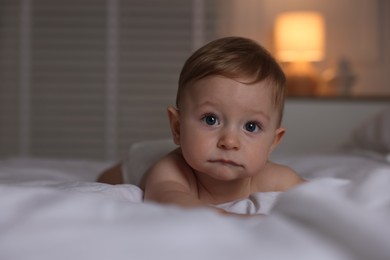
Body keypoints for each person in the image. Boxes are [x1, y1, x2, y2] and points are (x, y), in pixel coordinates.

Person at [98, 36, 305, 215]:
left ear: (273, 142)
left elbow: (323, 198)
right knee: (106, 178)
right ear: (177, 128)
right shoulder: (169, 171)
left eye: (251, 126)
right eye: (211, 120)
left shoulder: (276, 178)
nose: (229, 142)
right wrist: (235, 220)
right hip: (146, 156)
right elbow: (172, 204)